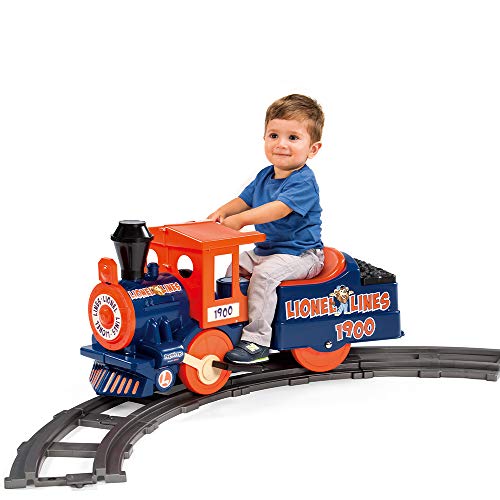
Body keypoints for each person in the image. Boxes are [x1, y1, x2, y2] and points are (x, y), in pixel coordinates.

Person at [208, 94, 325, 363]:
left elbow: (279, 208)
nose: (281, 144)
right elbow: (244, 200)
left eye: (293, 138)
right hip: (266, 251)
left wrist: (241, 220)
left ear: (313, 149)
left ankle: (257, 341)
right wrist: (222, 212)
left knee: (264, 276)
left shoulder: (303, 181)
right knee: (236, 266)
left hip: (301, 255)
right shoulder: (264, 175)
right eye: (274, 135)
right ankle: (236, 323)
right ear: (264, 138)